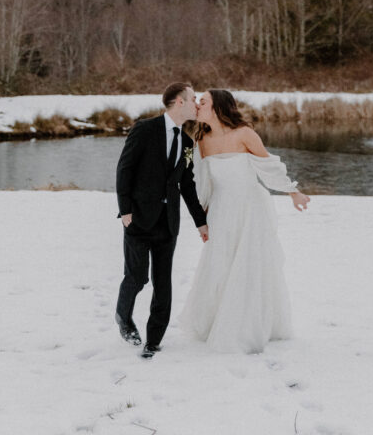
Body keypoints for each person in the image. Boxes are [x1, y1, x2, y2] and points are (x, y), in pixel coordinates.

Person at [181, 88, 310, 353]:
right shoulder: (200, 139)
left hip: (251, 208)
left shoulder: (245, 134)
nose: (198, 106)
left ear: (218, 107)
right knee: (221, 263)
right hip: (221, 210)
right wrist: (202, 214)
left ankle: (248, 326)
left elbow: (269, 167)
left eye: (203, 102)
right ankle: (220, 320)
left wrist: (292, 191)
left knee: (249, 263)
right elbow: (201, 179)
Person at [115, 82, 208, 358]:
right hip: (138, 219)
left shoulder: (188, 142)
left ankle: (153, 340)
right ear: (180, 102)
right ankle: (123, 317)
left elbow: (187, 185)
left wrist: (200, 221)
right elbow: (124, 169)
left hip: (168, 223)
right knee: (137, 276)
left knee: (162, 282)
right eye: (193, 99)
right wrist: (125, 210)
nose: (197, 104)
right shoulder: (144, 129)